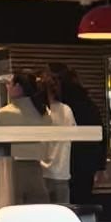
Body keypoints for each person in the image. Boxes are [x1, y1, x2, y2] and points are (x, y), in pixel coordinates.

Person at [55, 66, 107, 208]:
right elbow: (102, 135)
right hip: (88, 162)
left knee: (67, 203)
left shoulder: (63, 108)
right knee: (83, 201)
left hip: (68, 163)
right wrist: (100, 165)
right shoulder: (89, 105)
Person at [0, 72, 48, 203]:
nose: (7, 87)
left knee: (14, 210)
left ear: (18, 87)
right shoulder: (43, 112)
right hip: (37, 169)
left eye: (10, 84)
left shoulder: (5, 113)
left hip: (13, 170)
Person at [40, 70, 76, 206]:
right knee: (62, 213)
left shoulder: (40, 112)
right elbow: (75, 134)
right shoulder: (67, 110)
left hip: (42, 173)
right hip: (62, 171)